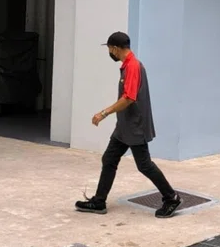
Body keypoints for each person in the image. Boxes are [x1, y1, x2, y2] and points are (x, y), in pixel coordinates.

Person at [75, 32, 182, 218]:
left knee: (144, 165)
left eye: (109, 48)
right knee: (109, 159)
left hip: (134, 126)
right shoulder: (127, 65)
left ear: (115, 48)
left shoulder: (133, 66)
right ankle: (99, 202)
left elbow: (129, 98)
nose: (109, 51)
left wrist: (103, 113)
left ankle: (171, 198)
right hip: (124, 126)